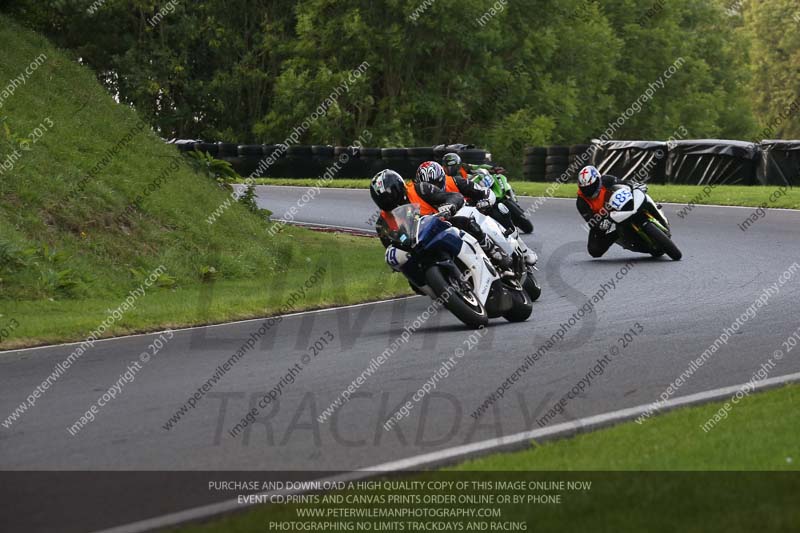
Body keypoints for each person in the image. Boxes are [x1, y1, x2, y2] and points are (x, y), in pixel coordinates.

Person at [369, 167, 511, 271]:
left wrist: (449, 206)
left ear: (400, 188)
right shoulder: (382, 224)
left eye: (392, 197)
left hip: (442, 226)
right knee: (414, 283)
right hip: (418, 248)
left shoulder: (420, 189)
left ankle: (492, 249)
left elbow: (452, 196)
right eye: (385, 202)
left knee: (465, 221)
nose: (392, 203)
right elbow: (390, 247)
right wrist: (396, 262)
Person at [576, 165, 647, 258]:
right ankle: (619, 233)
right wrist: (600, 224)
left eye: (591, 186)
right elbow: (591, 221)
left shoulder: (606, 180)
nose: (589, 190)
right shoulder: (581, 202)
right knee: (594, 250)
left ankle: (650, 211)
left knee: (638, 192)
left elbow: (624, 183)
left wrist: (635, 185)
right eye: (585, 189)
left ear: (598, 180)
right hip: (603, 219)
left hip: (620, 206)